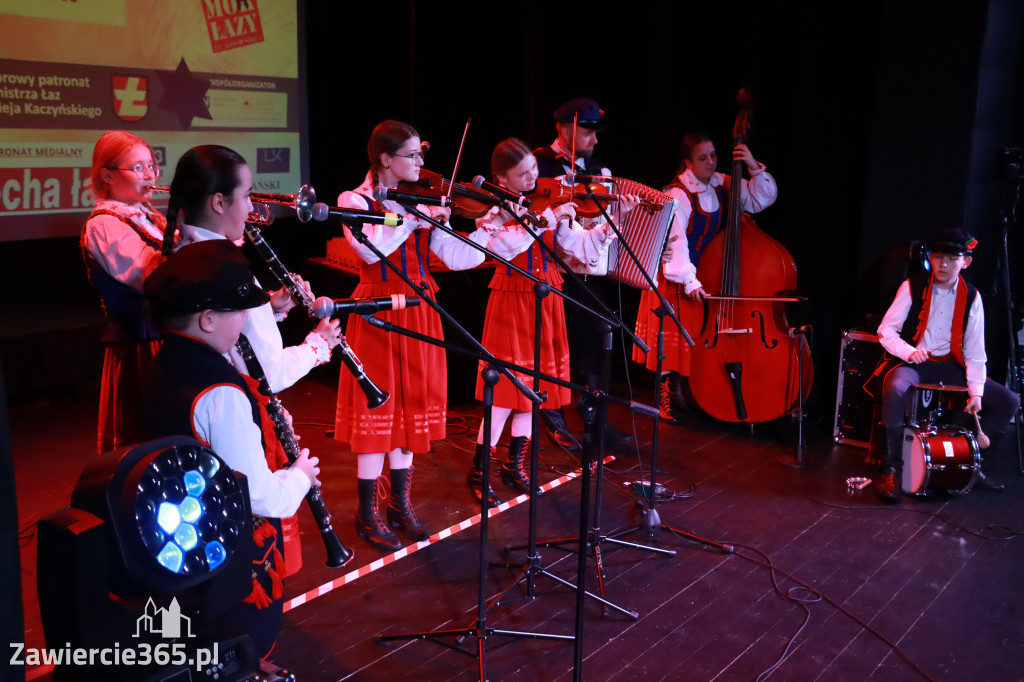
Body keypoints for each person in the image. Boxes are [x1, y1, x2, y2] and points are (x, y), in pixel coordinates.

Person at [140, 239, 320, 658]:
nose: (244, 321)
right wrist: (300, 475)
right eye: (239, 312)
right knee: (240, 642)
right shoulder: (222, 392)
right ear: (207, 319)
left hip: (176, 545)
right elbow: (258, 495)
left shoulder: (160, 362)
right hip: (223, 563)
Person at [334, 120, 491, 550]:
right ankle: (367, 512)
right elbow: (370, 248)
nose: (422, 163)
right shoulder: (354, 199)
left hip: (420, 307)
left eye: (421, 154)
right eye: (413, 155)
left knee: (411, 407)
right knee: (377, 408)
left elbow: (458, 258)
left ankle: (400, 504)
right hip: (378, 307)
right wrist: (412, 218)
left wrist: (491, 231)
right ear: (385, 159)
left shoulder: (420, 200)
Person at [468, 138, 617, 507]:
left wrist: (605, 228)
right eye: (522, 174)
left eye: (534, 169)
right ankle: (479, 469)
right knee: (504, 393)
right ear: (500, 177)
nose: (532, 178)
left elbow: (575, 247)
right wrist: (545, 220)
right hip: (512, 298)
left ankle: (514, 464)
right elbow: (506, 247)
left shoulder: (550, 203)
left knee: (535, 392)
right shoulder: (492, 212)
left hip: (547, 295)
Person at [165, 145, 342, 394]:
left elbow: (226, 325)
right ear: (218, 202)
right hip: (229, 399)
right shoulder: (224, 269)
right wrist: (319, 343)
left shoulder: (183, 250)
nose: (251, 208)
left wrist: (268, 306)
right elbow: (270, 374)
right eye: (247, 196)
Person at [866, 228, 1020, 501]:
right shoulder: (911, 286)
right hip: (915, 363)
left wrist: (976, 391)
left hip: (950, 364)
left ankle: (971, 462)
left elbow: (975, 350)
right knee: (894, 387)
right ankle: (890, 470)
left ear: (966, 262)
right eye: (938, 258)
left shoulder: (972, 297)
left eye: (951, 259)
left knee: (1008, 400)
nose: (943, 265)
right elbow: (886, 331)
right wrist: (909, 352)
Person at [633, 132, 777, 422]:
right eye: (703, 158)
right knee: (671, 342)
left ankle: (681, 391)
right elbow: (674, 242)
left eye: (713, 155)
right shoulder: (678, 194)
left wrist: (751, 164)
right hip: (675, 276)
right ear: (687, 162)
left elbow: (759, 199)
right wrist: (687, 278)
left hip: (703, 275)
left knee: (693, 340)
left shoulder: (721, 182)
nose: (710, 162)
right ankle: (664, 397)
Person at [532, 97, 640, 455]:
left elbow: (596, 222)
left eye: (596, 133)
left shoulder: (599, 171)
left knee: (596, 339)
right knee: (552, 346)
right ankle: (551, 416)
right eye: (588, 133)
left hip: (586, 271)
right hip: (545, 268)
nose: (595, 141)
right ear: (565, 129)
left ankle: (594, 417)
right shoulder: (538, 164)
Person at [80, 130, 167, 454]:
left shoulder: (149, 218)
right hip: (143, 344)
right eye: (139, 168)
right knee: (147, 440)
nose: (149, 176)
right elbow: (152, 275)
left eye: (152, 166)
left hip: (166, 337)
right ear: (107, 174)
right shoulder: (105, 224)